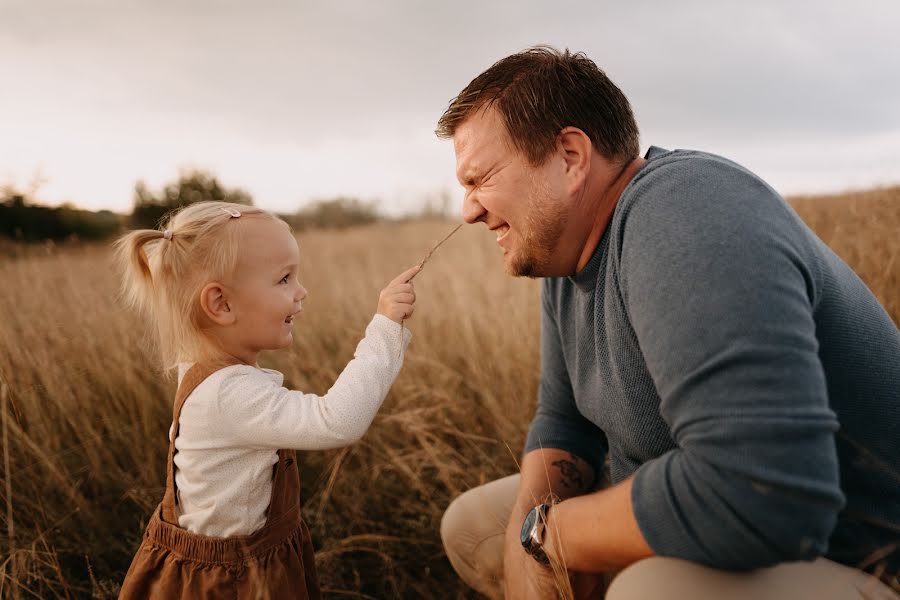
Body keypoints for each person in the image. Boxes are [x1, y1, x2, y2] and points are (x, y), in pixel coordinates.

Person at [436, 46, 900, 599]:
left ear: (569, 156)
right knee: (475, 529)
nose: (469, 211)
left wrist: (553, 536)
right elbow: (563, 423)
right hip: (721, 512)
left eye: (480, 178)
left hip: (856, 555)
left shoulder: (684, 212)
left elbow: (762, 490)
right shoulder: (566, 259)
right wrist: (531, 536)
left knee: (651, 591)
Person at [114, 201, 419, 599]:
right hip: (231, 582)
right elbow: (336, 419)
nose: (301, 291)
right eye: (284, 280)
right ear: (221, 304)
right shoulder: (228, 394)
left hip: (250, 559)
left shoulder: (207, 367)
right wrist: (385, 328)